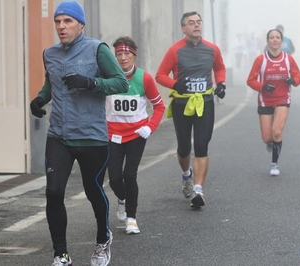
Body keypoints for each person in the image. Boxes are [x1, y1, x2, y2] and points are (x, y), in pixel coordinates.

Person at [29, 1, 129, 265]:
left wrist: (90, 82)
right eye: (58, 22)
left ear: (80, 24)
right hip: (59, 135)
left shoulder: (97, 49)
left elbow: (121, 82)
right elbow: (50, 84)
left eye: (68, 21)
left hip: (91, 135)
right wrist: (39, 100)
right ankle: (60, 254)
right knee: (53, 191)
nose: (61, 27)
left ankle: (102, 240)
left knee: (93, 190)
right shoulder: (50, 53)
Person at [155, 11, 226, 209]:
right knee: (184, 148)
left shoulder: (212, 49)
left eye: (198, 22)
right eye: (191, 23)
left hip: (205, 102)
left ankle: (198, 189)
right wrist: (176, 85)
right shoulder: (175, 50)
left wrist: (221, 84)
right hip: (182, 104)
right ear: (184, 28)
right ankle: (187, 175)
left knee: (202, 146)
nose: (196, 25)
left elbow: (220, 68)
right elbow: (160, 75)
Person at [106, 36, 165, 234]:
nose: (123, 58)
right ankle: (122, 199)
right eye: (119, 54)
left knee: (129, 175)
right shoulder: (108, 77)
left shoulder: (144, 78)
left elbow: (159, 106)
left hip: (136, 134)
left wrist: (150, 127)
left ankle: (131, 218)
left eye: (127, 54)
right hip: (112, 136)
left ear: (134, 56)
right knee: (114, 179)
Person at [247, 29, 300, 176]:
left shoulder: (288, 59)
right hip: (265, 100)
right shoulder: (261, 59)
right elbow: (250, 81)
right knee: (267, 137)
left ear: (282, 41)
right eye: (272, 37)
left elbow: (298, 77)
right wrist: (263, 87)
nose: (275, 40)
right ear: (267, 41)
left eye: (278, 37)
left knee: (277, 131)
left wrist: (293, 81)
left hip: (283, 98)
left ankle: (274, 164)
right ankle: (272, 143)